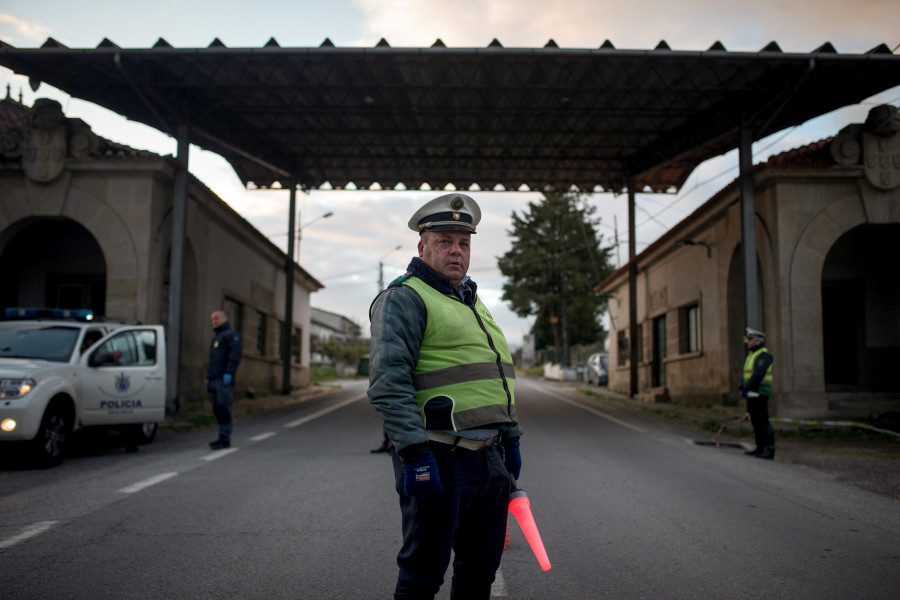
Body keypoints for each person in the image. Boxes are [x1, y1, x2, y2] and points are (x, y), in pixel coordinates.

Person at [368, 193, 523, 600]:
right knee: (423, 575)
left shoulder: (472, 301)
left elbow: (491, 375)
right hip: (439, 456)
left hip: (488, 459)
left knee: (479, 573)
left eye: (464, 242)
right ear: (423, 247)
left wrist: (511, 436)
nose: (456, 250)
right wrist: (415, 456)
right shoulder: (405, 297)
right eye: (445, 241)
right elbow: (389, 381)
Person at [205, 310, 242, 450]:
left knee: (224, 407)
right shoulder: (217, 337)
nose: (214, 321)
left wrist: (229, 372)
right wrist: (209, 377)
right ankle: (222, 436)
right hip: (214, 378)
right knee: (217, 408)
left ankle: (225, 437)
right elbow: (213, 361)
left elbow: (235, 355)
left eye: (217, 318)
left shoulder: (231, 336)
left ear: (224, 318)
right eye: (212, 319)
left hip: (223, 379)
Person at [740, 327, 775, 459]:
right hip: (751, 393)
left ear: (757, 341)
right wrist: (742, 386)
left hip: (760, 392)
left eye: (749, 340)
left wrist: (747, 388)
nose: (747, 342)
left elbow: (758, 375)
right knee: (755, 421)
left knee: (763, 421)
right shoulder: (752, 355)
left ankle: (769, 449)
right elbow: (746, 374)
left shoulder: (764, 355)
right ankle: (760, 447)